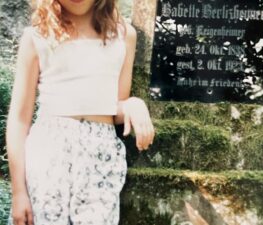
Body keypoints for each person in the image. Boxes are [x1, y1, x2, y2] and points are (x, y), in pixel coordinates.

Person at [6, 0, 155, 224]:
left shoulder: (124, 36)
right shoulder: (37, 36)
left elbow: (113, 108)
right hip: (48, 156)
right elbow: (18, 120)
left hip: (100, 159)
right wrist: (18, 192)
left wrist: (133, 104)